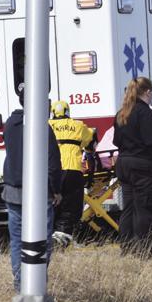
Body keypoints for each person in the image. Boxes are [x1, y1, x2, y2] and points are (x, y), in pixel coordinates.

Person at [2, 84, 63, 292]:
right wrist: (56, 189)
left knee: (17, 241)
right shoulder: (41, 126)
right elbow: (53, 161)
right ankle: (36, 284)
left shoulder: (10, 124)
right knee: (41, 240)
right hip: (38, 192)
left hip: (12, 190)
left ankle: (20, 284)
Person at [113, 77, 152, 257]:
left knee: (129, 207)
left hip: (124, 165)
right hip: (143, 166)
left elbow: (117, 141)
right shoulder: (147, 115)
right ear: (147, 92)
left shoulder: (122, 114)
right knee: (145, 208)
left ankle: (126, 248)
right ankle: (143, 250)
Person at [49, 100, 96, 242]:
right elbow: (92, 140)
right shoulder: (78, 125)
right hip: (73, 171)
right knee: (70, 209)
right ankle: (62, 239)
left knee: (52, 206)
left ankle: (50, 237)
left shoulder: (47, 125)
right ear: (68, 112)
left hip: (52, 171)